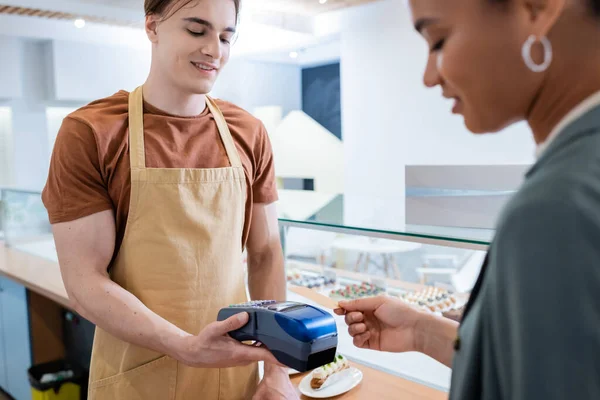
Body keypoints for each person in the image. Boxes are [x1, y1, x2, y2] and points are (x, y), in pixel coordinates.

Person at [336, 0, 600, 399]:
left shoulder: (555, 206)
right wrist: (423, 331)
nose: (428, 76)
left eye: (438, 40)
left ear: (538, 9)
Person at [42, 0, 299, 399]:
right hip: (135, 376)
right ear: (152, 26)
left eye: (226, 36)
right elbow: (84, 281)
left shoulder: (249, 132)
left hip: (234, 377)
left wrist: (276, 372)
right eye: (196, 31)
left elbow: (265, 252)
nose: (214, 49)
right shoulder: (92, 132)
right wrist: (185, 346)